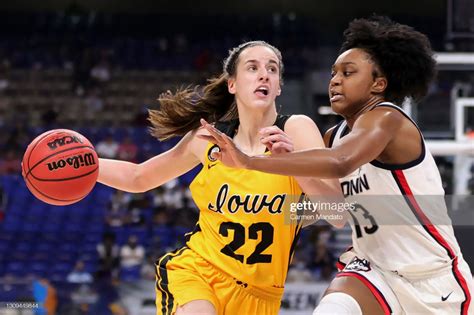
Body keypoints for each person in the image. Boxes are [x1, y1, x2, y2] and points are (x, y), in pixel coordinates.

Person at [201, 17, 473, 314]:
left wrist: (250, 162)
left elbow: (341, 163)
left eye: (348, 72)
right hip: (373, 271)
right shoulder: (335, 136)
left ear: (378, 84)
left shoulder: (388, 119)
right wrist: (272, 206)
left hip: (432, 279)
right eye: (333, 73)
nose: (335, 80)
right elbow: (336, 208)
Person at [97, 40, 342, 315]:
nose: (264, 74)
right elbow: (139, 177)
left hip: (261, 296)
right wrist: (88, 164)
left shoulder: (297, 129)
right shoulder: (208, 139)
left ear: (278, 86)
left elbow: (337, 214)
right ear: (233, 84)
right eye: (253, 68)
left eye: (272, 69)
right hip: (199, 272)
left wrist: (292, 163)